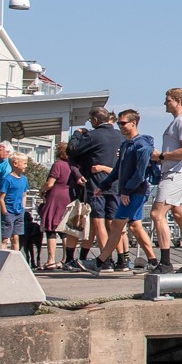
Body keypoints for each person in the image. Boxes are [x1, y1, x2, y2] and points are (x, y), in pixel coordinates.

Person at [97, 109, 159, 272]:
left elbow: (139, 173)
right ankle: (153, 261)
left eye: (123, 123)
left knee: (116, 226)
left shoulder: (141, 145)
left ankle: (99, 262)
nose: (120, 126)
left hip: (135, 192)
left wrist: (126, 191)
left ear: (134, 123)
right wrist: (103, 186)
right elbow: (118, 169)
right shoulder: (125, 145)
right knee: (134, 226)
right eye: (119, 123)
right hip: (130, 191)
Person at [150, 88, 182, 273]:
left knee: (157, 214)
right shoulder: (177, 122)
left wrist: (161, 156)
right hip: (177, 172)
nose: (165, 103)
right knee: (180, 216)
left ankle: (165, 262)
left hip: (176, 173)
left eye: (168, 100)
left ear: (178, 101)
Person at [67, 106, 122, 273]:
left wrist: (77, 134)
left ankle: (105, 260)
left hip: (97, 184)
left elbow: (72, 150)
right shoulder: (120, 136)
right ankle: (121, 259)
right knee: (114, 223)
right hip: (117, 184)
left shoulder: (93, 135)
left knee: (98, 221)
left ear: (95, 120)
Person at [41, 141, 74, 270]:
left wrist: (41, 190)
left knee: (51, 229)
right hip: (68, 197)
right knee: (65, 230)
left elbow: (50, 183)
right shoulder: (73, 165)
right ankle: (66, 259)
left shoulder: (58, 164)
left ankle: (51, 260)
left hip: (55, 197)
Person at [0, 154, 26, 252]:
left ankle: (15, 259)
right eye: (24, 163)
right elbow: (1, 198)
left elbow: (24, 195)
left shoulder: (24, 179)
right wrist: (5, 212)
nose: (26, 166)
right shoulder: (7, 179)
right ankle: (1, 259)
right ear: (15, 164)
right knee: (5, 238)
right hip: (9, 212)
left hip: (19, 212)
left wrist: (23, 208)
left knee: (15, 237)